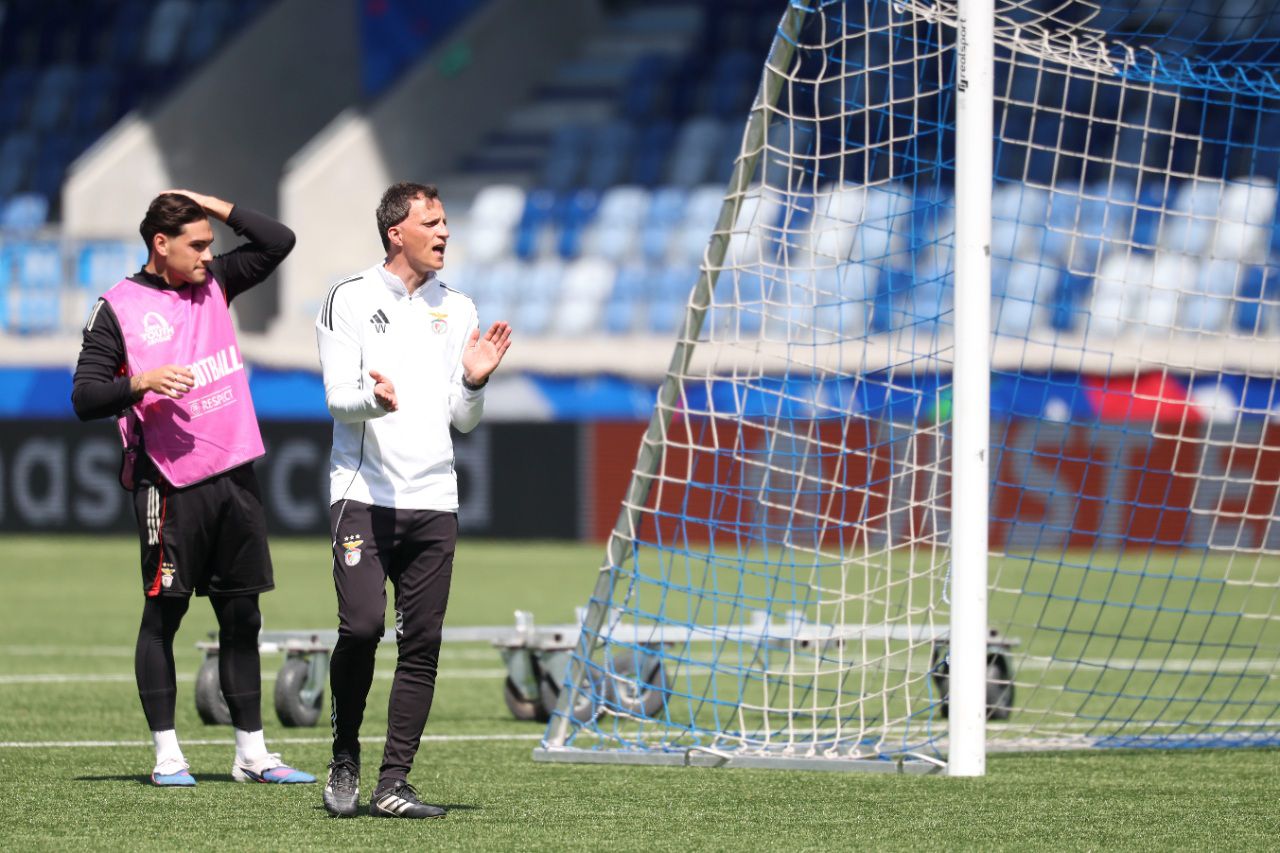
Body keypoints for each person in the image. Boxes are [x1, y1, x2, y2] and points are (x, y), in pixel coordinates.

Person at [71, 190, 315, 788]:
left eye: (211, 244)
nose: (210, 254)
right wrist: (143, 381)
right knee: (165, 614)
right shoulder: (118, 308)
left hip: (235, 473)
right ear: (161, 244)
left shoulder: (215, 285)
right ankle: (168, 755)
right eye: (197, 244)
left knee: (243, 616)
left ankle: (252, 755)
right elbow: (85, 397)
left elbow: (279, 241)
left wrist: (210, 203)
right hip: (170, 484)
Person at [316, 182, 511, 819]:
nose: (445, 232)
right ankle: (344, 757)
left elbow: (464, 420)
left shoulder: (458, 308)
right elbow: (338, 399)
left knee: (421, 644)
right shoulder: (348, 297)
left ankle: (393, 783)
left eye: (446, 221)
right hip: (363, 494)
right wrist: (375, 401)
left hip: (433, 498)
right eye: (432, 222)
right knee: (361, 627)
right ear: (396, 232)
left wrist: (475, 383)